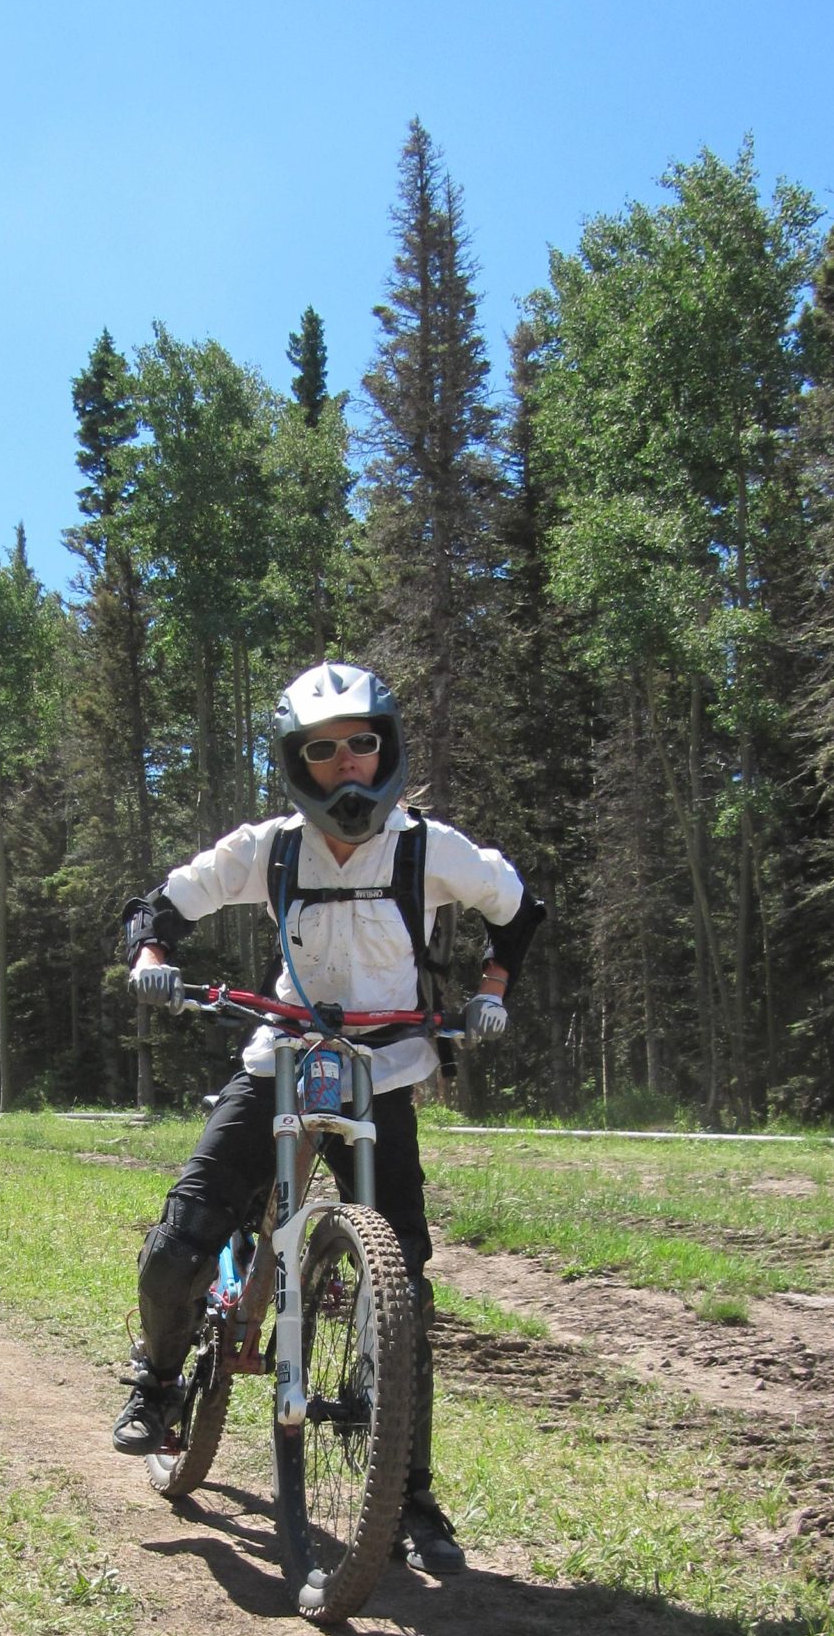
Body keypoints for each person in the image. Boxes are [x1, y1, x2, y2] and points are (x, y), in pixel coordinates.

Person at [112, 659, 542, 1579]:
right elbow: (164, 904)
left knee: (405, 1286)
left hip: (385, 1070)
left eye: (361, 745)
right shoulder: (267, 848)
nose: (346, 764)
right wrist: (151, 951)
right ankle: (155, 1382)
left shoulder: (433, 850)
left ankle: (411, 1494)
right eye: (323, 750)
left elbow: (519, 909)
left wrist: (494, 990)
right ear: (298, 764)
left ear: (385, 749)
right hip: (281, 1056)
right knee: (183, 1240)